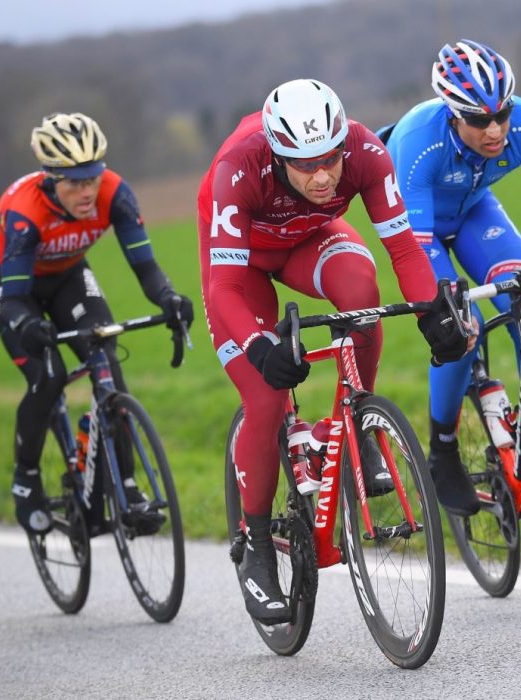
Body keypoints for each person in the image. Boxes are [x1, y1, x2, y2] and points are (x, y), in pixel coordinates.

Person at [198, 78, 470, 624]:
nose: (322, 176)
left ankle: (357, 424)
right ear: (278, 155)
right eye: (305, 165)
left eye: (330, 160)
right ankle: (255, 547)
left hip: (309, 240)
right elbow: (222, 289)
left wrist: (430, 311)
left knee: (360, 290)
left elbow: (403, 249)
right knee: (267, 399)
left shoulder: (368, 152)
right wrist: (257, 346)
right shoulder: (239, 167)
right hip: (241, 266)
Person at [382, 39, 521, 517]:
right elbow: (416, 246)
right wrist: (444, 310)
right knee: (458, 326)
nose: (495, 130)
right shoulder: (417, 142)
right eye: (478, 120)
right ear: (452, 115)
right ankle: (442, 447)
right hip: (421, 231)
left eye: (501, 114)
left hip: (474, 213)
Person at [0, 112, 194, 536]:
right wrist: (26, 323)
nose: (86, 191)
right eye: (74, 182)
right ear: (50, 178)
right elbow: (16, 298)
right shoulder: (25, 211)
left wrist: (169, 298)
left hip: (68, 276)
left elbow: (146, 267)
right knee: (48, 375)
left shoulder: (115, 193)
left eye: (92, 178)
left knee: (105, 355)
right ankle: (26, 480)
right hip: (14, 285)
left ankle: (128, 486)